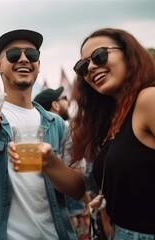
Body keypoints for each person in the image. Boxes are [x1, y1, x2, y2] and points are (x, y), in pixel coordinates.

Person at [0, 29, 85, 239]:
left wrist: (50, 162)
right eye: (14, 55)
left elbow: (78, 189)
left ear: (38, 65)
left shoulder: (57, 124)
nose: (24, 59)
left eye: (32, 55)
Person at [71, 28, 155, 239]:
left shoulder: (149, 99)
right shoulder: (114, 120)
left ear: (128, 54)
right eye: (83, 66)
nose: (91, 67)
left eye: (100, 55)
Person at [35, 87, 91, 239]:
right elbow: (74, 171)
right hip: (70, 212)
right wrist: (86, 200)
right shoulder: (63, 130)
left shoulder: (56, 129)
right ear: (56, 105)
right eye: (64, 98)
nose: (67, 101)